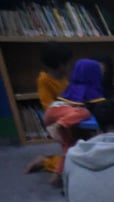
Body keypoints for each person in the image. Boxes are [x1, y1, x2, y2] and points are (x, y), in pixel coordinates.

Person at [41, 57, 105, 186]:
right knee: (84, 113)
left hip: (55, 112)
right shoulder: (86, 87)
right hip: (58, 116)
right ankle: (61, 125)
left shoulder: (74, 86)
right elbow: (95, 105)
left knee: (70, 148)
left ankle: (57, 175)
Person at [24, 42, 72, 176]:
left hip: (69, 117)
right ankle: (46, 162)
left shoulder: (63, 77)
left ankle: (52, 159)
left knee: (75, 150)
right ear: (60, 64)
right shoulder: (44, 80)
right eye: (68, 63)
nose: (70, 66)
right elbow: (48, 106)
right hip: (58, 123)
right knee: (73, 157)